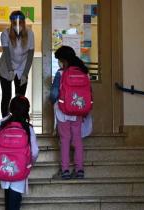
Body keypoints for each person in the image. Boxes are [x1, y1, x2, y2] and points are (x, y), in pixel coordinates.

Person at [0, 96, 39, 210]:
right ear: (26, 110)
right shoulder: (28, 129)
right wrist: (30, 162)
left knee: (9, 203)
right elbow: (35, 151)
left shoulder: (2, 126)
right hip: (20, 171)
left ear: (10, 108)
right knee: (14, 204)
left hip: (3, 170)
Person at [50, 46, 91, 179]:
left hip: (63, 112)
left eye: (59, 60)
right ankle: (79, 170)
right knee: (77, 141)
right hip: (78, 112)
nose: (59, 63)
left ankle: (65, 171)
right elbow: (89, 93)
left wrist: (53, 102)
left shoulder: (61, 73)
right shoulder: (84, 72)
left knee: (65, 140)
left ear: (64, 60)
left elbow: (54, 93)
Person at [0, 10, 35, 117]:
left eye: (20, 23)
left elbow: (30, 55)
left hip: (22, 68)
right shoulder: (5, 34)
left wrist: (25, 73)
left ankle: (20, 121)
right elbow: (6, 54)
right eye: (15, 23)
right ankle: (5, 120)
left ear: (24, 22)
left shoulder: (30, 34)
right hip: (6, 68)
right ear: (11, 23)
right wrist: (10, 70)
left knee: (20, 97)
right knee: (6, 96)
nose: (17, 26)